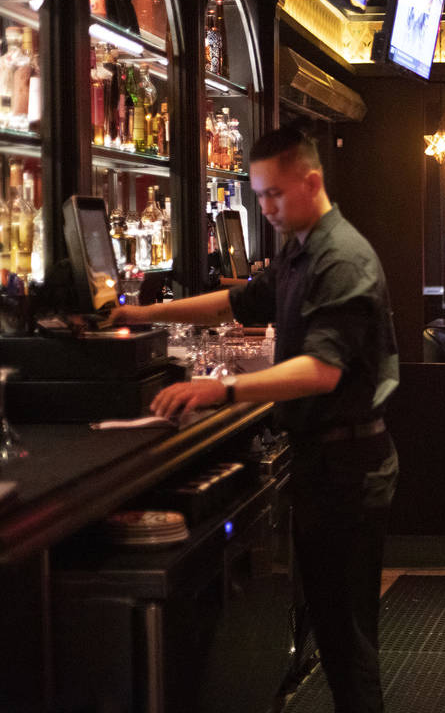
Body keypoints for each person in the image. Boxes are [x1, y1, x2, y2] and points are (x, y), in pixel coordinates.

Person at [111, 127, 399, 713]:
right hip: (324, 459)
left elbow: (321, 371)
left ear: (311, 182)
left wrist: (221, 389)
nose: (263, 208)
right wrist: (142, 313)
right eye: (258, 194)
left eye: (272, 195)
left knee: (347, 642)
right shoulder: (300, 245)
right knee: (334, 626)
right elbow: (235, 302)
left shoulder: (340, 257)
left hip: (349, 468)